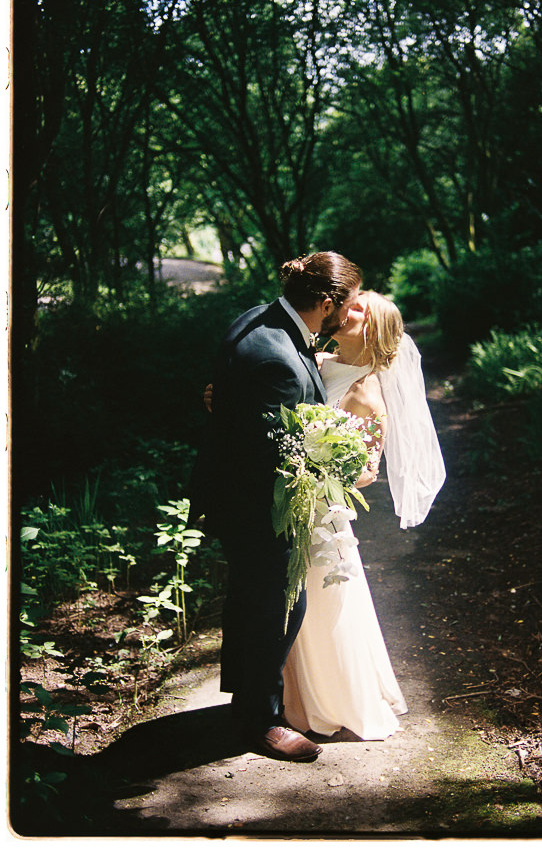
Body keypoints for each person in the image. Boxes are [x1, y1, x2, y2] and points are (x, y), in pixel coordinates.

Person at [187, 251, 362, 763]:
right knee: (279, 605)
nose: (350, 312)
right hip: (258, 505)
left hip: (239, 495)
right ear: (326, 302)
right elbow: (273, 456)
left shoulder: (259, 318)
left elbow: (240, 408)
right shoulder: (276, 358)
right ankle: (259, 721)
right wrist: (339, 463)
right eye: (347, 303)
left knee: (254, 601)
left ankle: (245, 701)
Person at [281, 290, 446, 740]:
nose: (346, 308)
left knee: (323, 607)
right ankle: (290, 699)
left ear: (374, 329)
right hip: (291, 506)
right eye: (350, 301)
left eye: (359, 308)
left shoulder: (368, 391)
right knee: (293, 606)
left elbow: (368, 472)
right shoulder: (316, 358)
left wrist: (310, 473)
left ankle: (333, 703)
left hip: (320, 513)